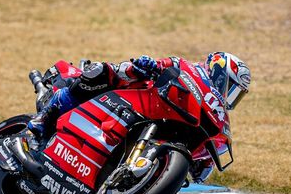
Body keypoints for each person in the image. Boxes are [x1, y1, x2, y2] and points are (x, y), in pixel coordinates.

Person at [27, 51, 251, 141]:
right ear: (221, 74)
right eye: (231, 89)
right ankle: (46, 115)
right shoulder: (191, 68)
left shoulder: (214, 110)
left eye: (236, 95)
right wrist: (150, 64)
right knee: (104, 72)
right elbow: (168, 63)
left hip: (154, 115)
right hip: (137, 89)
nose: (229, 97)